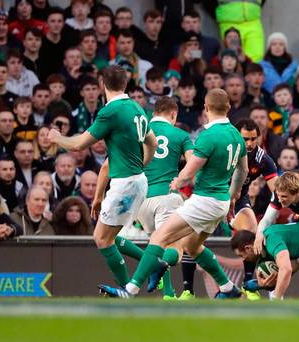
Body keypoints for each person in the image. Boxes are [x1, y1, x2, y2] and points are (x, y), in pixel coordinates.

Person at [99, 88, 248, 299]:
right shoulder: (236, 136)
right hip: (218, 201)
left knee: (159, 239)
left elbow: (190, 171)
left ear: (205, 108)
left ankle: (130, 290)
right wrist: (232, 195)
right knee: (191, 246)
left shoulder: (206, 136)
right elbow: (244, 170)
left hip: (183, 200)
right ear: (229, 108)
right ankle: (227, 287)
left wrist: (179, 181)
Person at [48, 65, 157, 290]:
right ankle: (152, 264)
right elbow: (152, 143)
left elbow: (79, 144)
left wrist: (57, 137)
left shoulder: (110, 111)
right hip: (137, 180)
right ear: (125, 84)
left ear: (101, 85)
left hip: (125, 184)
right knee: (109, 235)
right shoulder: (137, 108)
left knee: (102, 239)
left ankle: (127, 288)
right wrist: (140, 165)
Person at [228, 118, 277, 298]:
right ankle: (188, 290)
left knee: (252, 233)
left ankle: (249, 285)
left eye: (253, 138)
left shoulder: (262, 159)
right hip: (213, 196)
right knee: (190, 239)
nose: (249, 143)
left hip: (238, 201)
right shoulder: (225, 151)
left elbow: (277, 192)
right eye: (245, 139)